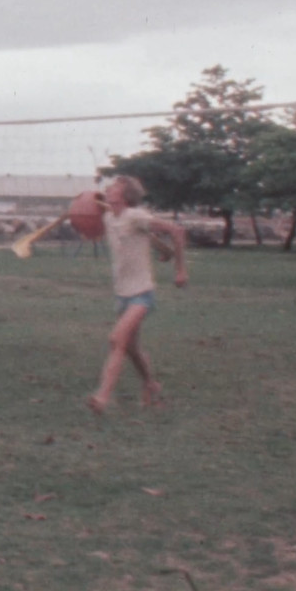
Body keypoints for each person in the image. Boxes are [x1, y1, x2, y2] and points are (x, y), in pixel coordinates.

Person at [87, 176, 188, 414]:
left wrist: (180, 269)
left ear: (125, 196)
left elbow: (176, 230)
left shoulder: (136, 215)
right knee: (131, 347)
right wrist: (163, 250)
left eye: (115, 187)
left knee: (116, 339)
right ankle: (151, 384)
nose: (109, 188)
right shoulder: (109, 217)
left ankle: (102, 397)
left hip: (142, 293)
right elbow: (142, 236)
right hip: (121, 294)